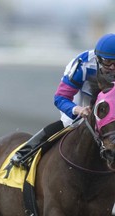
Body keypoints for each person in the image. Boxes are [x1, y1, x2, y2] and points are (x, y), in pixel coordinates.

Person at [11, 33, 115, 167]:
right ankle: (25, 152)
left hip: (111, 101)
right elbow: (60, 98)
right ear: (98, 59)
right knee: (70, 122)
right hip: (84, 98)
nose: (113, 68)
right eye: (108, 62)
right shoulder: (83, 64)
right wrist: (78, 109)